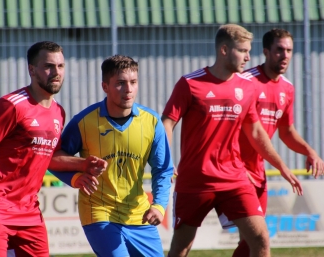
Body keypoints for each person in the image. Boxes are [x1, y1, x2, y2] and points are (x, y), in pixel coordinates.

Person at [161, 24, 303, 257]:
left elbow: (256, 133)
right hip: (196, 179)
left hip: (234, 178)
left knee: (260, 239)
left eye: (249, 51)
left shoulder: (247, 87)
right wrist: (165, 161)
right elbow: (167, 122)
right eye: (243, 50)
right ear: (224, 50)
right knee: (181, 247)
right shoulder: (190, 83)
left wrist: (282, 167)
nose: (248, 57)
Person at [0, 41, 104, 257]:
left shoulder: (58, 113)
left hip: (29, 211)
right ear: (32, 70)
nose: (56, 72)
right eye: (49, 66)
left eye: (61, 66)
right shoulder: (12, 105)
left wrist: (83, 164)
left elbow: (48, 157)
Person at [48, 54, 174, 257]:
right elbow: (53, 158)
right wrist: (76, 178)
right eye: (120, 83)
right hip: (99, 212)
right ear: (105, 86)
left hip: (138, 215)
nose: (128, 89)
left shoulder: (151, 122)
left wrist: (159, 205)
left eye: (133, 82)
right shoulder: (84, 121)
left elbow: (163, 169)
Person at [224, 28, 324, 257]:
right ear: (266, 52)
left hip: (257, 172)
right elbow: (225, 128)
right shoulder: (245, 82)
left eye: (289, 50)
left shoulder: (287, 88)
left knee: (252, 242)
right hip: (232, 170)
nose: (285, 55)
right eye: (279, 49)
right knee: (259, 239)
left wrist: (310, 151)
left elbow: (286, 131)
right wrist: (236, 166)